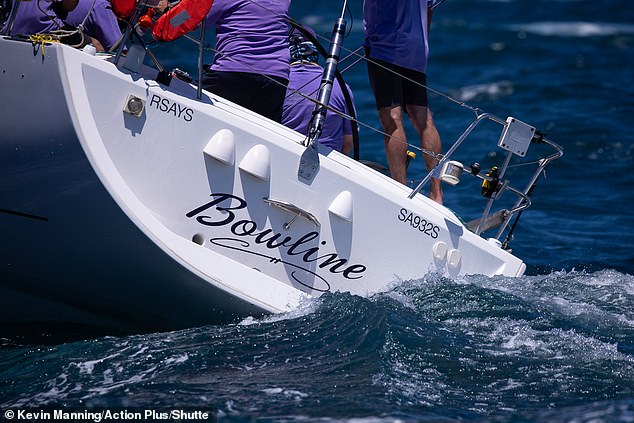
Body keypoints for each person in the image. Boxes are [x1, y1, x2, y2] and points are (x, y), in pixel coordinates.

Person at [363, 0, 443, 204]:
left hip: (385, 47)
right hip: (417, 49)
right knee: (424, 120)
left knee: (392, 119)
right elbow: (429, 9)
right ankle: (437, 193)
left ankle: (400, 190)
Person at [202, 0, 291, 123]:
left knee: (201, 116)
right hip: (276, 79)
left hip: (233, 72)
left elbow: (193, 21)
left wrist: (169, 13)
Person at [281, 27, 355, 155]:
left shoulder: (278, 84)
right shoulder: (342, 87)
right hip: (329, 166)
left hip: (285, 156)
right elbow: (348, 144)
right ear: (314, 48)